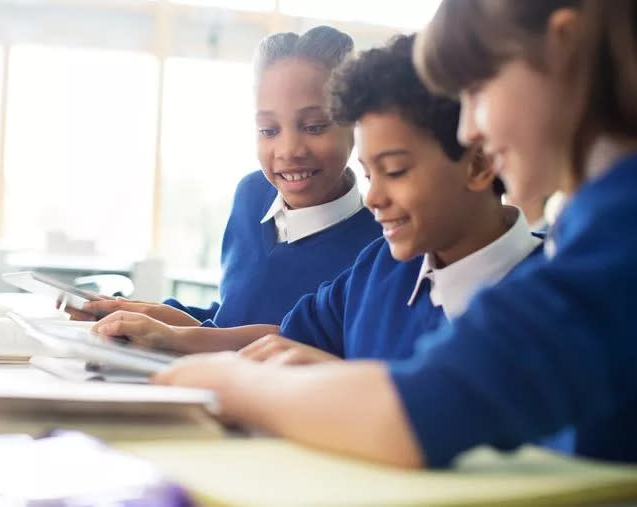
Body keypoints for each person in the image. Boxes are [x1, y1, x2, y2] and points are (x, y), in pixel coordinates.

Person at [152, 0, 637, 469]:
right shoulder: (592, 225)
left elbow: (419, 412)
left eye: (477, 88)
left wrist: (229, 383)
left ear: (563, 48)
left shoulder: (620, 231)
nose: (470, 126)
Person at [92, 35, 542, 366]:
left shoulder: (552, 292)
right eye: (370, 174)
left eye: (396, 171)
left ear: (480, 164)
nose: (376, 198)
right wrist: (157, 328)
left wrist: (342, 381)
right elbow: (275, 339)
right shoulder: (379, 267)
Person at [71, 26, 381, 332]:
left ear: (355, 122)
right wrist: (134, 312)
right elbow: (231, 319)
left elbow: (297, 350)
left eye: (314, 127)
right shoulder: (252, 196)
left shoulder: (377, 249)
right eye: (268, 130)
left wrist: (172, 334)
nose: (288, 151)